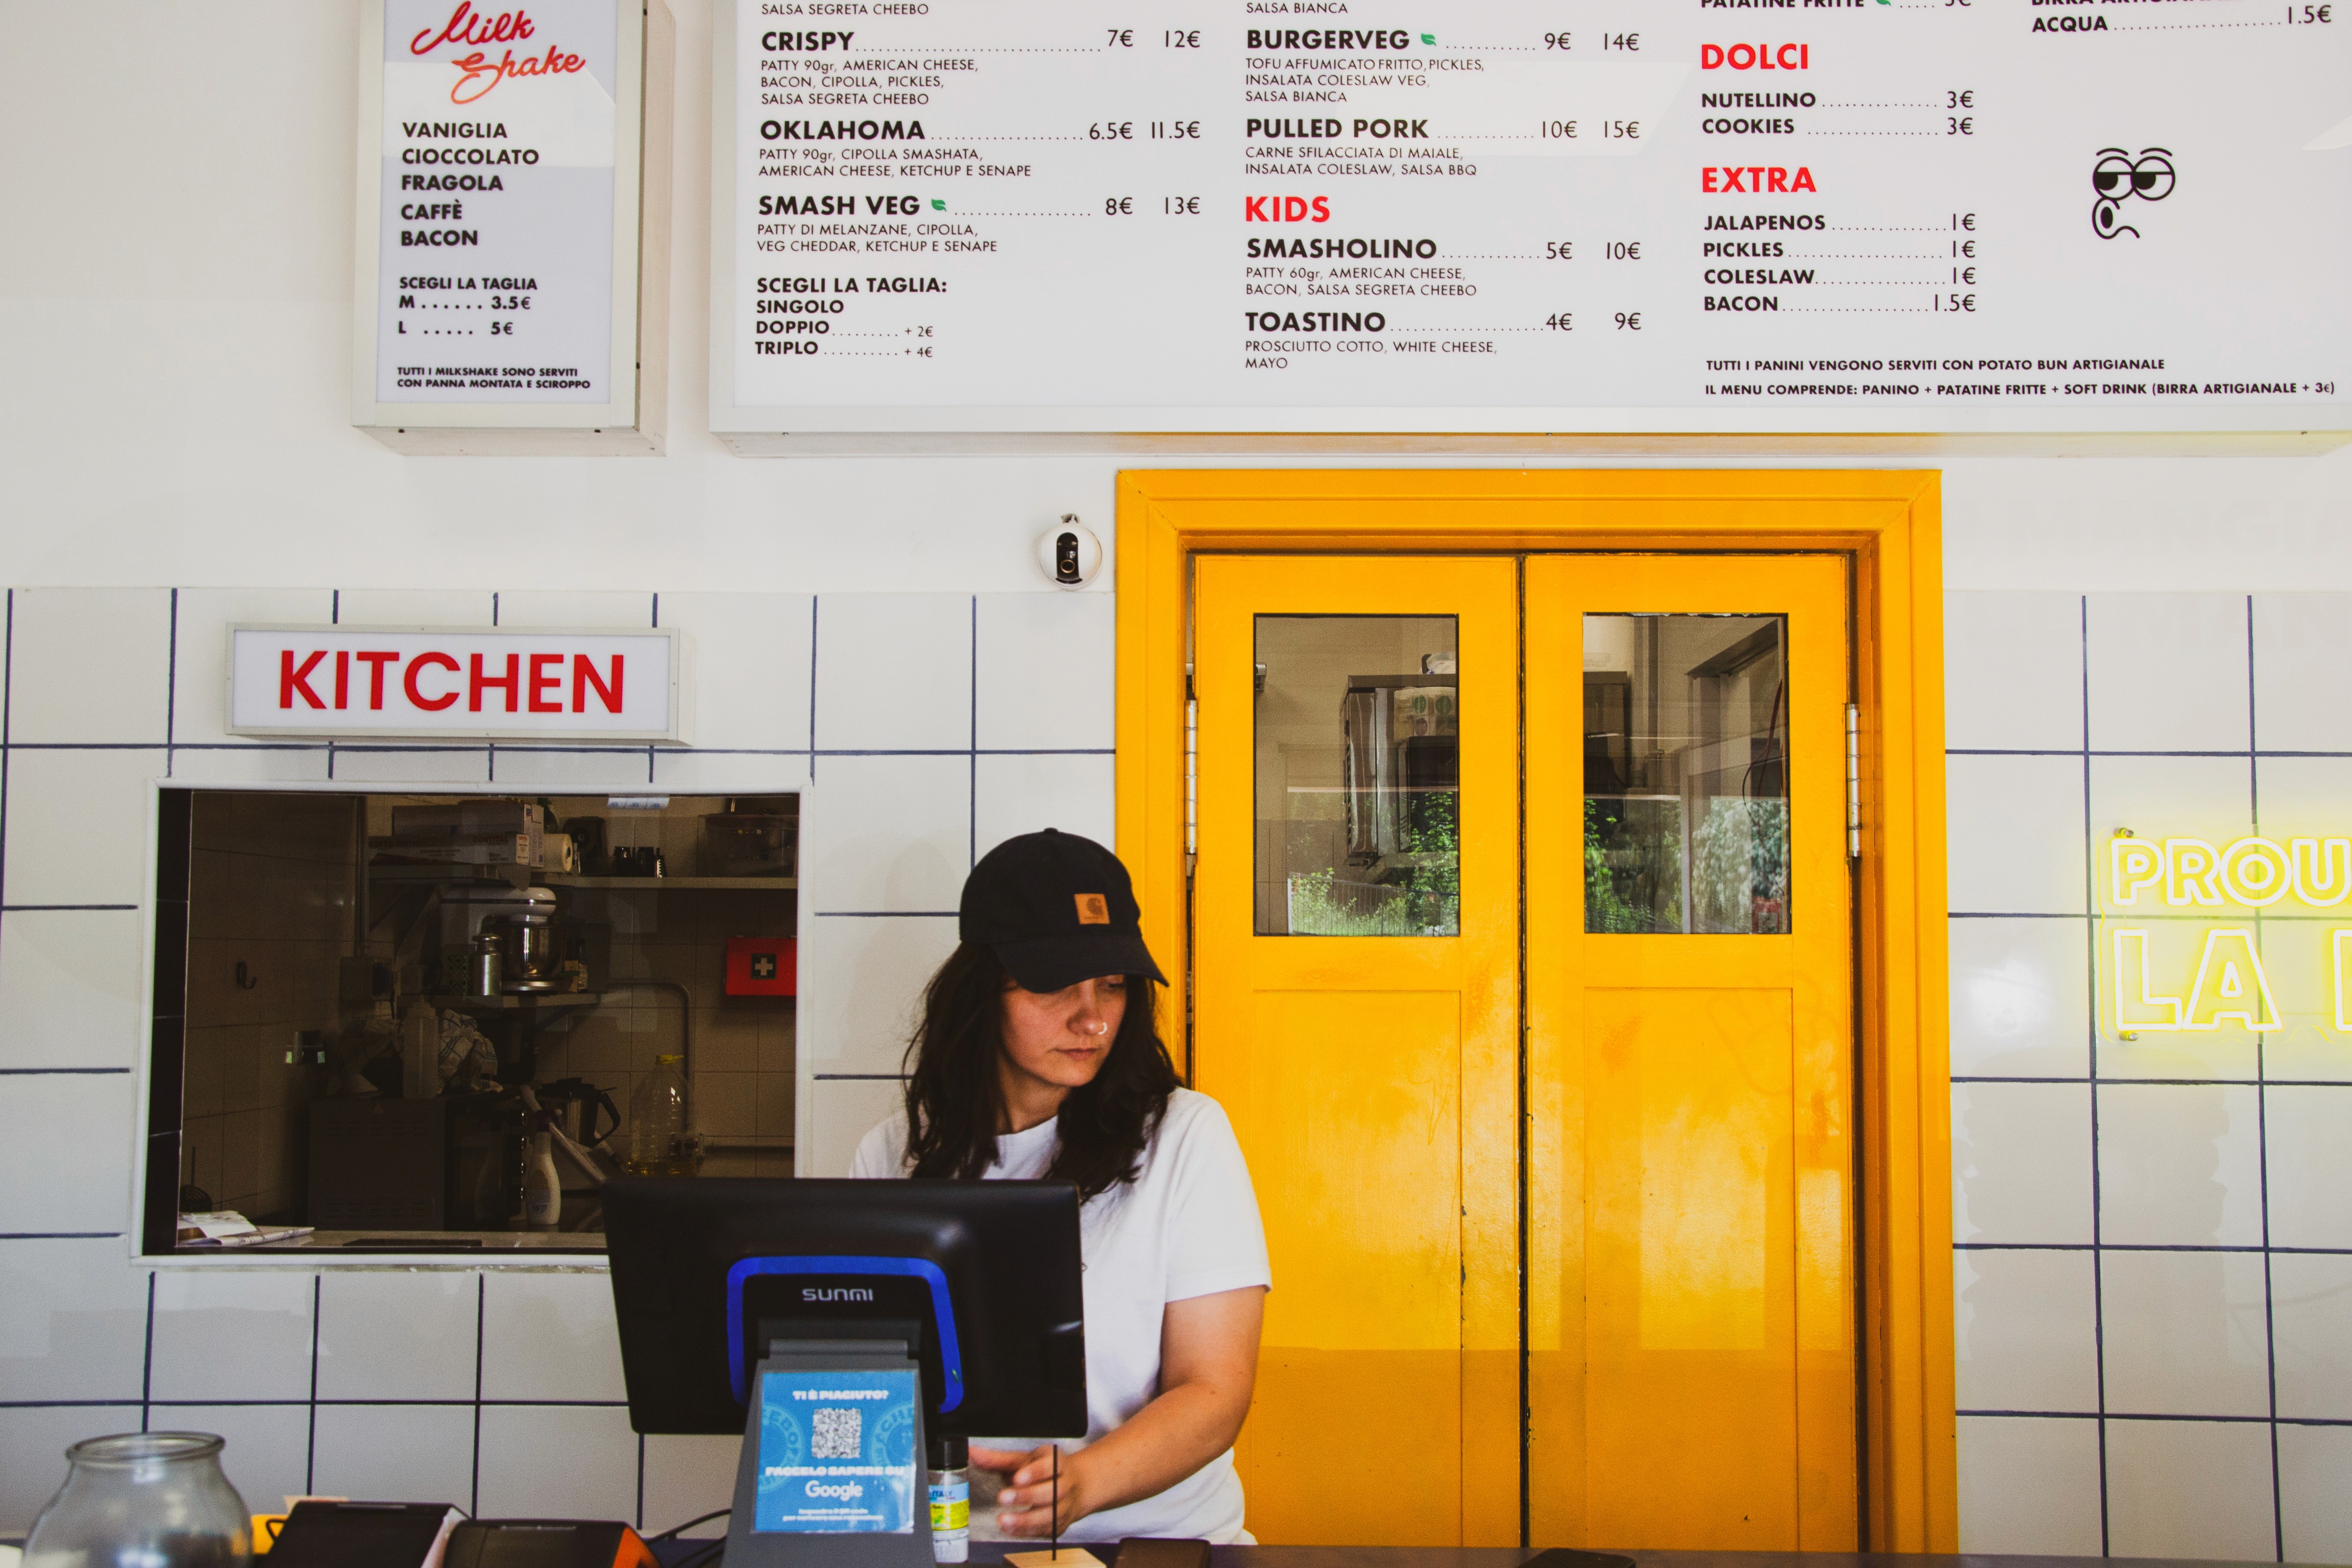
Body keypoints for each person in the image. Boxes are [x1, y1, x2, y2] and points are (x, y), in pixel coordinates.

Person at [848, 828, 1270, 1545]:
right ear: (983, 990)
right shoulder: (894, 1153)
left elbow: (1214, 1391)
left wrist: (1086, 1482)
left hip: (1150, 1545)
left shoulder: (1185, 1138)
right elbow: (862, 1380)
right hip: (953, 1542)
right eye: (1056, 985)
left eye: (1112, 985)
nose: (1095, 1018)